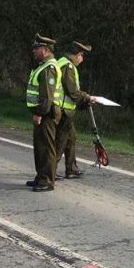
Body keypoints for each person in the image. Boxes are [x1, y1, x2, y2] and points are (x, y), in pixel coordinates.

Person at [25, 34, 63, 192]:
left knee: (47, 148)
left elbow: (47, 96)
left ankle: (47, 180)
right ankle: (40, 177)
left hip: (47, 114)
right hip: (44, 113)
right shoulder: (43, 66)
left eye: (37, 48)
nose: (34, 51)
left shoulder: (49, 68)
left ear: (46, 50)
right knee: (40, 147)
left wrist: (39, 113)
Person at [54, 41, 93, 180]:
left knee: (71, 138)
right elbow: (72, 91)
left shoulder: (62, 63)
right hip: (63, 110)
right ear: (76, 55)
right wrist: (86, 97)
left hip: (66, 110)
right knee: (60, 141)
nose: (81, 59)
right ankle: (50, 171)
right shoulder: (67, 66)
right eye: (81, 55)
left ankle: (71, 168)